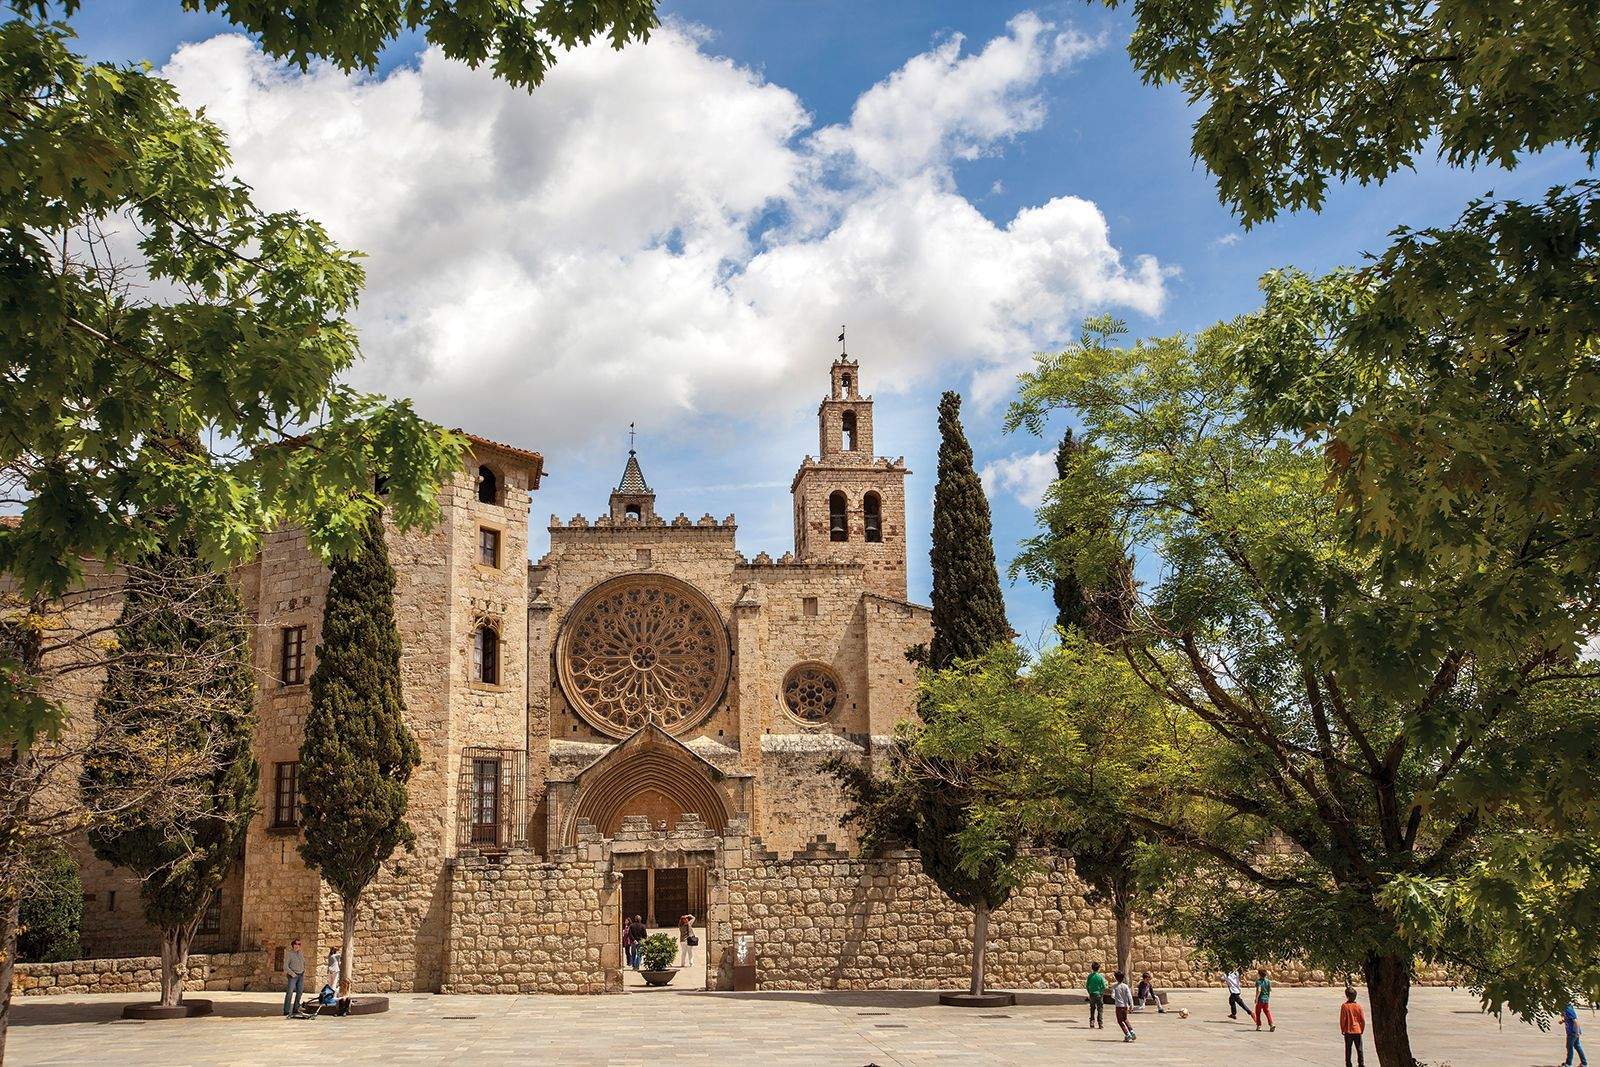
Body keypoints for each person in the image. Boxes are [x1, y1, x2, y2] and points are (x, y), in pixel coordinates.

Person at [1339, 986, 1366, 1067]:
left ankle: (1348, 1063)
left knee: (1348, 1049)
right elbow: (1362, 1020)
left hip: (1348, 1030)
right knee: (1359, 1049)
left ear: (1347, 996)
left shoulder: (1344, 1006)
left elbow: (1343, 1019)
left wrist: (1342, 1028)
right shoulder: (1358, 1006)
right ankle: (1361, 1063)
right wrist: (1362, 1029)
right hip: (1357, 1030)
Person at [283, 938, 306, 1018]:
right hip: (293, 976)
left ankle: (296, 1009)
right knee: (289, 993)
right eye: (296, 944)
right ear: (293, 945)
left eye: (299, 944)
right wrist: (292, 974)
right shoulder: (289, 954)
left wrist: (303, 971)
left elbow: (303, 963)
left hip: (301, 975)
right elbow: (285, 966)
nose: (297, 945)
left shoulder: (301, 953)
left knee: (300, 992)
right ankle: (286, 1010)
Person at [1112, 970, 1136, 1042]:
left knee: (1120, 1021)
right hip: (1125, 1006)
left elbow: (1112, 995)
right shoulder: (1125, 986)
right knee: (1125, 1019)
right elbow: (1129, 996)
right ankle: (1132, 1031)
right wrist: (1131, 1005)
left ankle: (1127, 1034)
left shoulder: (1115, 986)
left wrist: (1116, 998)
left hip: (1119, 1006)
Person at [1565, 1001, 1589, 1067]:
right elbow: (1569, 1018)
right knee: (1577, 1046)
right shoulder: (1568, 1008)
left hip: (1573, 1032)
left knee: (1569, 1047)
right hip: (1573, 1032)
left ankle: (1568, 1064)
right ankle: (1584, 1063)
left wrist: (1577, 1032)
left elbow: (1576, 1021)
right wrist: (1563, 1020)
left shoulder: (1568, 1009)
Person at [1085, 961, 1107, 1029]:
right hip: (1099, 995)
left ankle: (1092, 1022)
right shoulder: (1100, 977)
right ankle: (1100, 1023)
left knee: (1092, 1008)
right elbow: (1104, 986)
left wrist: (1089, 992)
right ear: (1099, 968)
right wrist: (1101, 992)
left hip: (1092, 994)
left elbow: (1087, 985)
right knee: (1100, 1009)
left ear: (1092, 968)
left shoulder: (1090, 976)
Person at [1254, 967, 1276, 1031]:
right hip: (1266, 999)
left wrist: (1256, 998)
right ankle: (1271, 1024)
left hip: (1260, 999)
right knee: (1266, 1011)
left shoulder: (1258, 981)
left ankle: (1259, 1026)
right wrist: (1267, 997)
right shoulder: (1268, 981)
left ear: (1259, 974)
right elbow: (1270, 990)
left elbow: (1259, 990)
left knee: (1258, 1012)